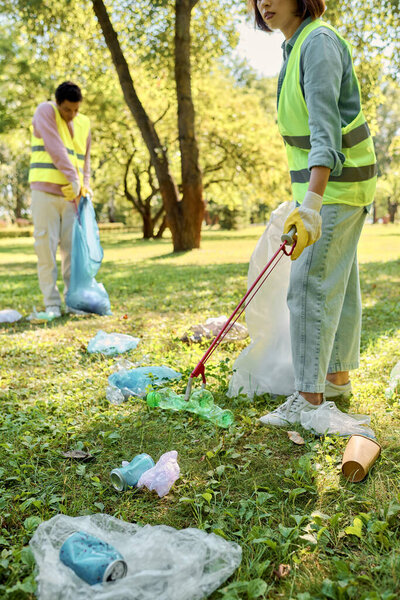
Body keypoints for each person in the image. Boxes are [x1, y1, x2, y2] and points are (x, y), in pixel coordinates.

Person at [249, 0, 377, 425]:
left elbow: (325, 132)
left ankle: (308, 398)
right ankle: (335, 378)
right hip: (335, 188)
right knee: (336, 282)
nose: (263, 2)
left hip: (336, 188)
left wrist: (313, 205)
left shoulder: (317, 43)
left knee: (309, 285)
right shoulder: (296, 45)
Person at [29, 81, 91, 317]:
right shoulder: (46, 111)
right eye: (67, 110)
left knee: (73, 251)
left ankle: (73, 301)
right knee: (45, 248)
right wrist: (73, 177)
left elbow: (85, 160)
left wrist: (83, 186)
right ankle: (52, 303)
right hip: (44, 192)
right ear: (58, 103)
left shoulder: (84, 123)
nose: (71, 115)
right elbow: (54, 147)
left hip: (72, 197)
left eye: (75, 110)